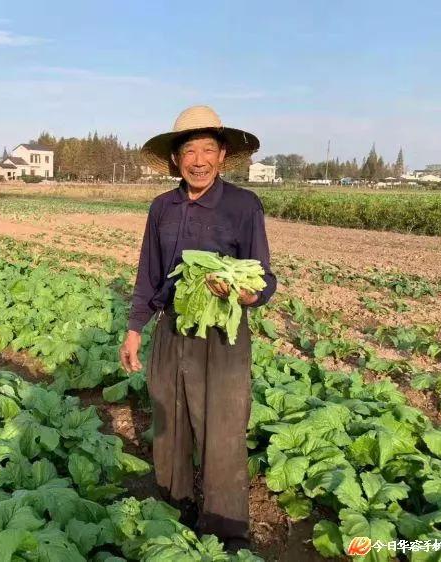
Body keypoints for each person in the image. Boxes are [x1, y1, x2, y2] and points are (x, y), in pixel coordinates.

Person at [119, 105, 277, 552]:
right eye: (190, 150)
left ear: (223, 155)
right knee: (169, 428)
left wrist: (242, 293)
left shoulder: (243, 205)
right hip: (171, 331)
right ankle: (174, 510)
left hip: (222, 338)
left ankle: (226, 532)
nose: (199, 159)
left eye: (209, 148)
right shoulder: (162, 208)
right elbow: (149, 275)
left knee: (223, 430)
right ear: (176, 159)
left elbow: (263, 276)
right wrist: (134, 330)